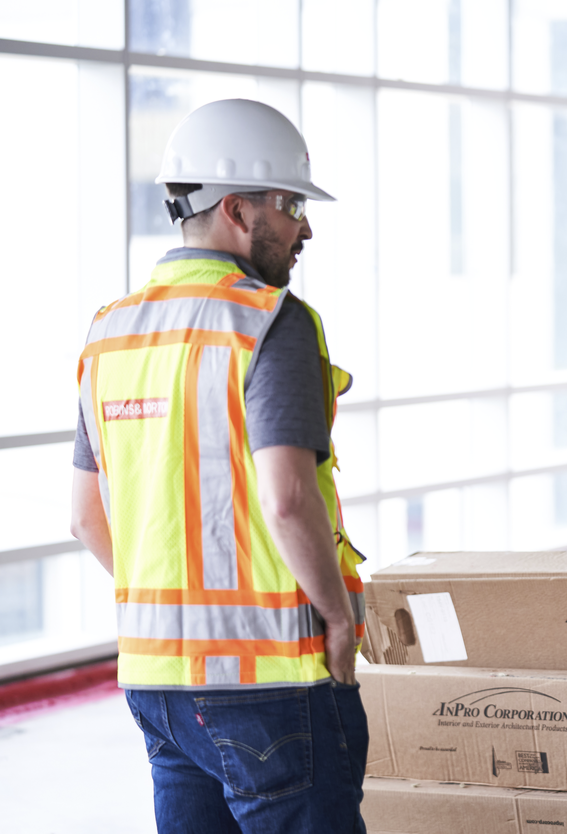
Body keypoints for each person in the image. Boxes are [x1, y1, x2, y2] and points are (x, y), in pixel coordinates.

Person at [68, 98, 368, 833]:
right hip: (271, 680)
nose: (306, 228)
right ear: (237, 209)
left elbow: (83, 517)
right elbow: (289, 498)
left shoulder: (109, 333)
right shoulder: (269, 318)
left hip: (156, 683)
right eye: (291, 205)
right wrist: (335, 617)